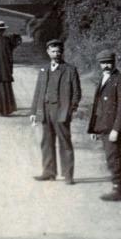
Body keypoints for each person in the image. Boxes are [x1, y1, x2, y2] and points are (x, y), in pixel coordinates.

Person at [30, 38, 81, 183]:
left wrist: (71, 109)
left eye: (59, 51)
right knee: (46, 142)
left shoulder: (70, 70)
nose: (56, 54)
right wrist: (34, 112)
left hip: (61, 111)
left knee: (65, 142)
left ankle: (68, 175)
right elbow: (38, 92)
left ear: (62, 52)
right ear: (48, 52)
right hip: (45, 110)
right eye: (53, 51)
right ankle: (48, 172)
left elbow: (76, 93)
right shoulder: (43, 70)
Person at [88, 50, 121, 201]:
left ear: (114, 62)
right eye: (103, 63)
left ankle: (117, 190)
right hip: (104, 125)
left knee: (112, 157)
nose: (106, 65)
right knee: (113, 156)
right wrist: (95, 128)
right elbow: (98, 106)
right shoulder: (103, 78)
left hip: (113, 127)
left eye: (109, 62)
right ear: (99, 63)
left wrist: (116, 129)